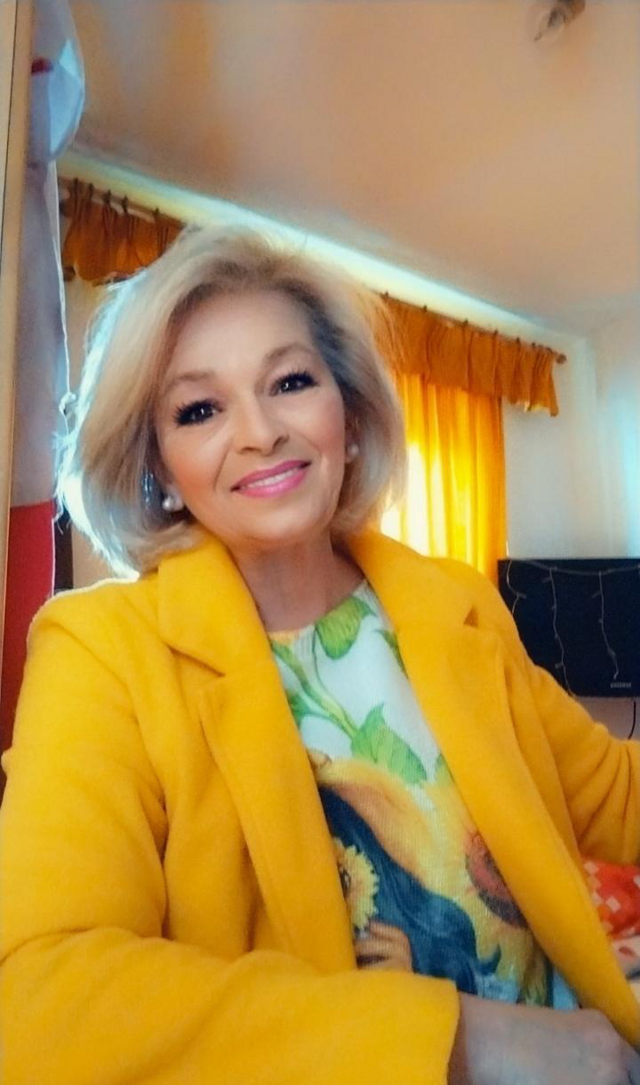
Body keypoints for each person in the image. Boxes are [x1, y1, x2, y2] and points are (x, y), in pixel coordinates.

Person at [1, 226, 639, 1085]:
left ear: (350, 412)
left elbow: (613, 795)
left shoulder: (456, 603)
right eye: (200, 409)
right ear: (160, 466)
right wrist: (461, 1042)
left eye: (291, 382)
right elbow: (42, 1001)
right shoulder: (99, 653)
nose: (260, 432)